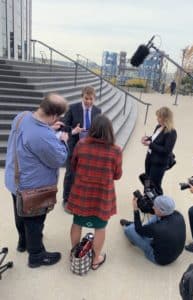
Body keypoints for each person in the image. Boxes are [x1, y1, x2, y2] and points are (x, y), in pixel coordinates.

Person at [4, 93, 69, 268]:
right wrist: (63, 141)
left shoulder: (22, 116)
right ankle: (36, 255)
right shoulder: (41, 135)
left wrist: (49, 128)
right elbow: (59, 158)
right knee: (34, 220)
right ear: (55, 115)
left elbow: (30, 138)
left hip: (14, 180)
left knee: (19, 213)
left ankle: (23, 243)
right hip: (31, 188)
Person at [66, 114, 122, 271]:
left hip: (82, 193)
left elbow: (74, 166)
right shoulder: (116, 150)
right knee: (100, 228)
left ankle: (75, 252)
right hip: (102, 196)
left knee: (77, 223)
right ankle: (95, 259)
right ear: (110, 131)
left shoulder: (81, 144)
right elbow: (117, 175)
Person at [62, 86, 101, 208]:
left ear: (94, 99)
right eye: (86, 98)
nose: (88, 101)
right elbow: (64, 127)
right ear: (82, 97)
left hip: (89, 148)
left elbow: (99, 129)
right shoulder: (73, 108)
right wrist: (74, 130)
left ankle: (80, 196)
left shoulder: (98, 111)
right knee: (71, 173)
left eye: (91, 99)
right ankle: (66, 199)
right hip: (74, 146)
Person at [120, 195, 186, 265]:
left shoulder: (157, 228)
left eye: (155, 206)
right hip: (174, 253)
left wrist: (135, 209)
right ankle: (141, 227)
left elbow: (138, 229)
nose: (153, 207)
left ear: (161, 210)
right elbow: (159, 215)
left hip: (160, 259)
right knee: (156, 216)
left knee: (129, 229)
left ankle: (134, 231)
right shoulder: (178, 215)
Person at [141, 106, 177, 194]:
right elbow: (155, 139)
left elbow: (166, 150)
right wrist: (148, 139)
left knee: (155, 184)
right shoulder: (158, 127)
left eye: (159, 117)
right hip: (149, 158)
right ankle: (147, 196)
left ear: (166, 118)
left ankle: (159, 203)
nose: (157, 119)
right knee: (147, 180)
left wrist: (150, 144)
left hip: (159, 163)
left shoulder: (171, 132)